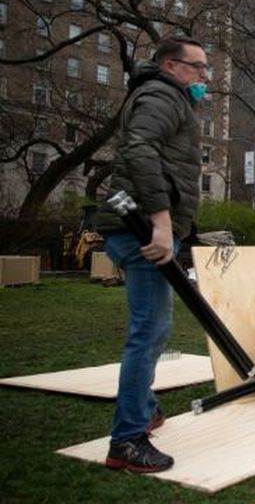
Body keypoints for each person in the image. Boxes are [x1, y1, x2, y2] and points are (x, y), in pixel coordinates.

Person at [92, 36, 210, 473]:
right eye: (198, 67)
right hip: (142, 229)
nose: (204, 76)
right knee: (150, 331)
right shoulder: (161, 94)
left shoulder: (170, 98)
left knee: (152, 328)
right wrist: (161, 222)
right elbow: (140, 151)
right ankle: (127, 440)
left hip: (146, 227)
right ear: (171, 65)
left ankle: (146, 409)